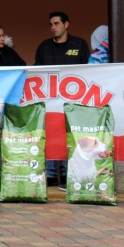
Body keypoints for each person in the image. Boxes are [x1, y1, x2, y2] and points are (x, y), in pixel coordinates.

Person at [35, 12, 90, 190]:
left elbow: (89, 71)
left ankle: (67, 173)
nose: (53, 27)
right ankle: (50, 175)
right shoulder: (44, 47)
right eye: (51, 24)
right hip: (50, 100)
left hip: (74, 100)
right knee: (51, 133)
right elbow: (36, 72)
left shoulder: (79, 44)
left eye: (57, 23)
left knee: (70, 134)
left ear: (66, 24)